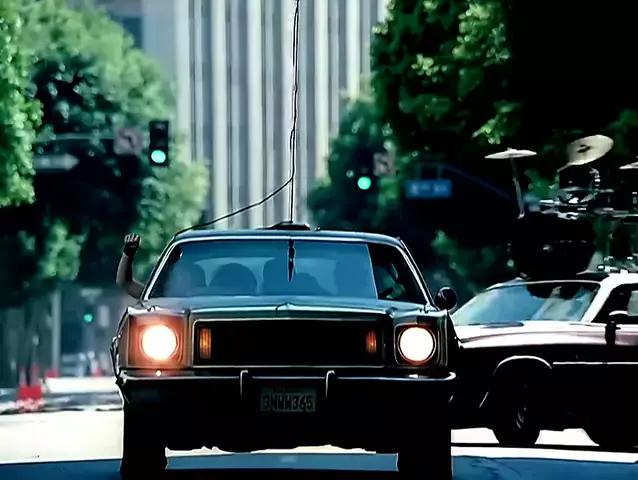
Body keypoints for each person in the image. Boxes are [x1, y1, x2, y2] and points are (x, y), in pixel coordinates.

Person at [116, 234, 145, 299]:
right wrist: (127, 255)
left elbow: (126, 284)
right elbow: (126, 283)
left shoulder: (159, 295)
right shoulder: (157, 294)